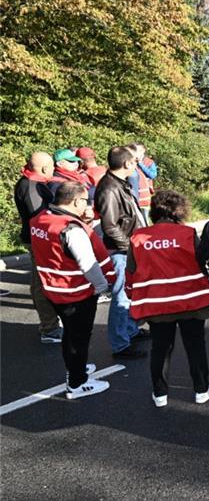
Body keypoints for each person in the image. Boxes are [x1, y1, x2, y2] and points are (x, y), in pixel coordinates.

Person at [125, 190, 209, 408]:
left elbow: (131, 271)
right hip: (191, 301)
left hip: (157, 305)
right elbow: (203, 264)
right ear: (180, 210)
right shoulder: (188, 234)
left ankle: (160, 394)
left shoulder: (138, 238)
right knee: (195, 346)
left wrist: (131, 294)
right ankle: (201, 390)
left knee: (160, 348)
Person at [29, 182, 115, 398]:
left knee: (70, 333)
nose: (87, 205)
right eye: (86, 201)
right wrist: (102, 287)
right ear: (76, 201)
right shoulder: (71, 230)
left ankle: (77, 367)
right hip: (76, 293)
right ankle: (77, 383)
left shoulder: (40, 219)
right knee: (78, 338)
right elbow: (89, 265)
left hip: (53, 289)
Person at [94, 146, 148, 359]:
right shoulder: (109, 188)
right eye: (135, 161)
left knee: (132, 292)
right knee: (121, 297)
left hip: (128, 247)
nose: (137, 165)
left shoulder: (119, 183)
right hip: (121, 250)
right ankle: (120, 344)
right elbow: (110, 225)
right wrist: (130, 246)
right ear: (127, 163)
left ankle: (131, 330)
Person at [14, 152, 61, 343]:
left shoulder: (30, 182)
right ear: (43, 168)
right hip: (38, 240)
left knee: (39, 281)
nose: (54, 170)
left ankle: (49, 323)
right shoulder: (31, 186)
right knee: (42, 283)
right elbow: (40, 218)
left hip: (35, 238)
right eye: (52, 167)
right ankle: (49, 328)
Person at [126, 143, 157, 223]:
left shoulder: (149, 162)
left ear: (143, 151)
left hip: (145, 195)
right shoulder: (131, 162)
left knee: (144, 219)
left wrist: (141, 165)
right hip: (135, 194)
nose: (137, 152)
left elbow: (152, 175)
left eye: (139, 150)